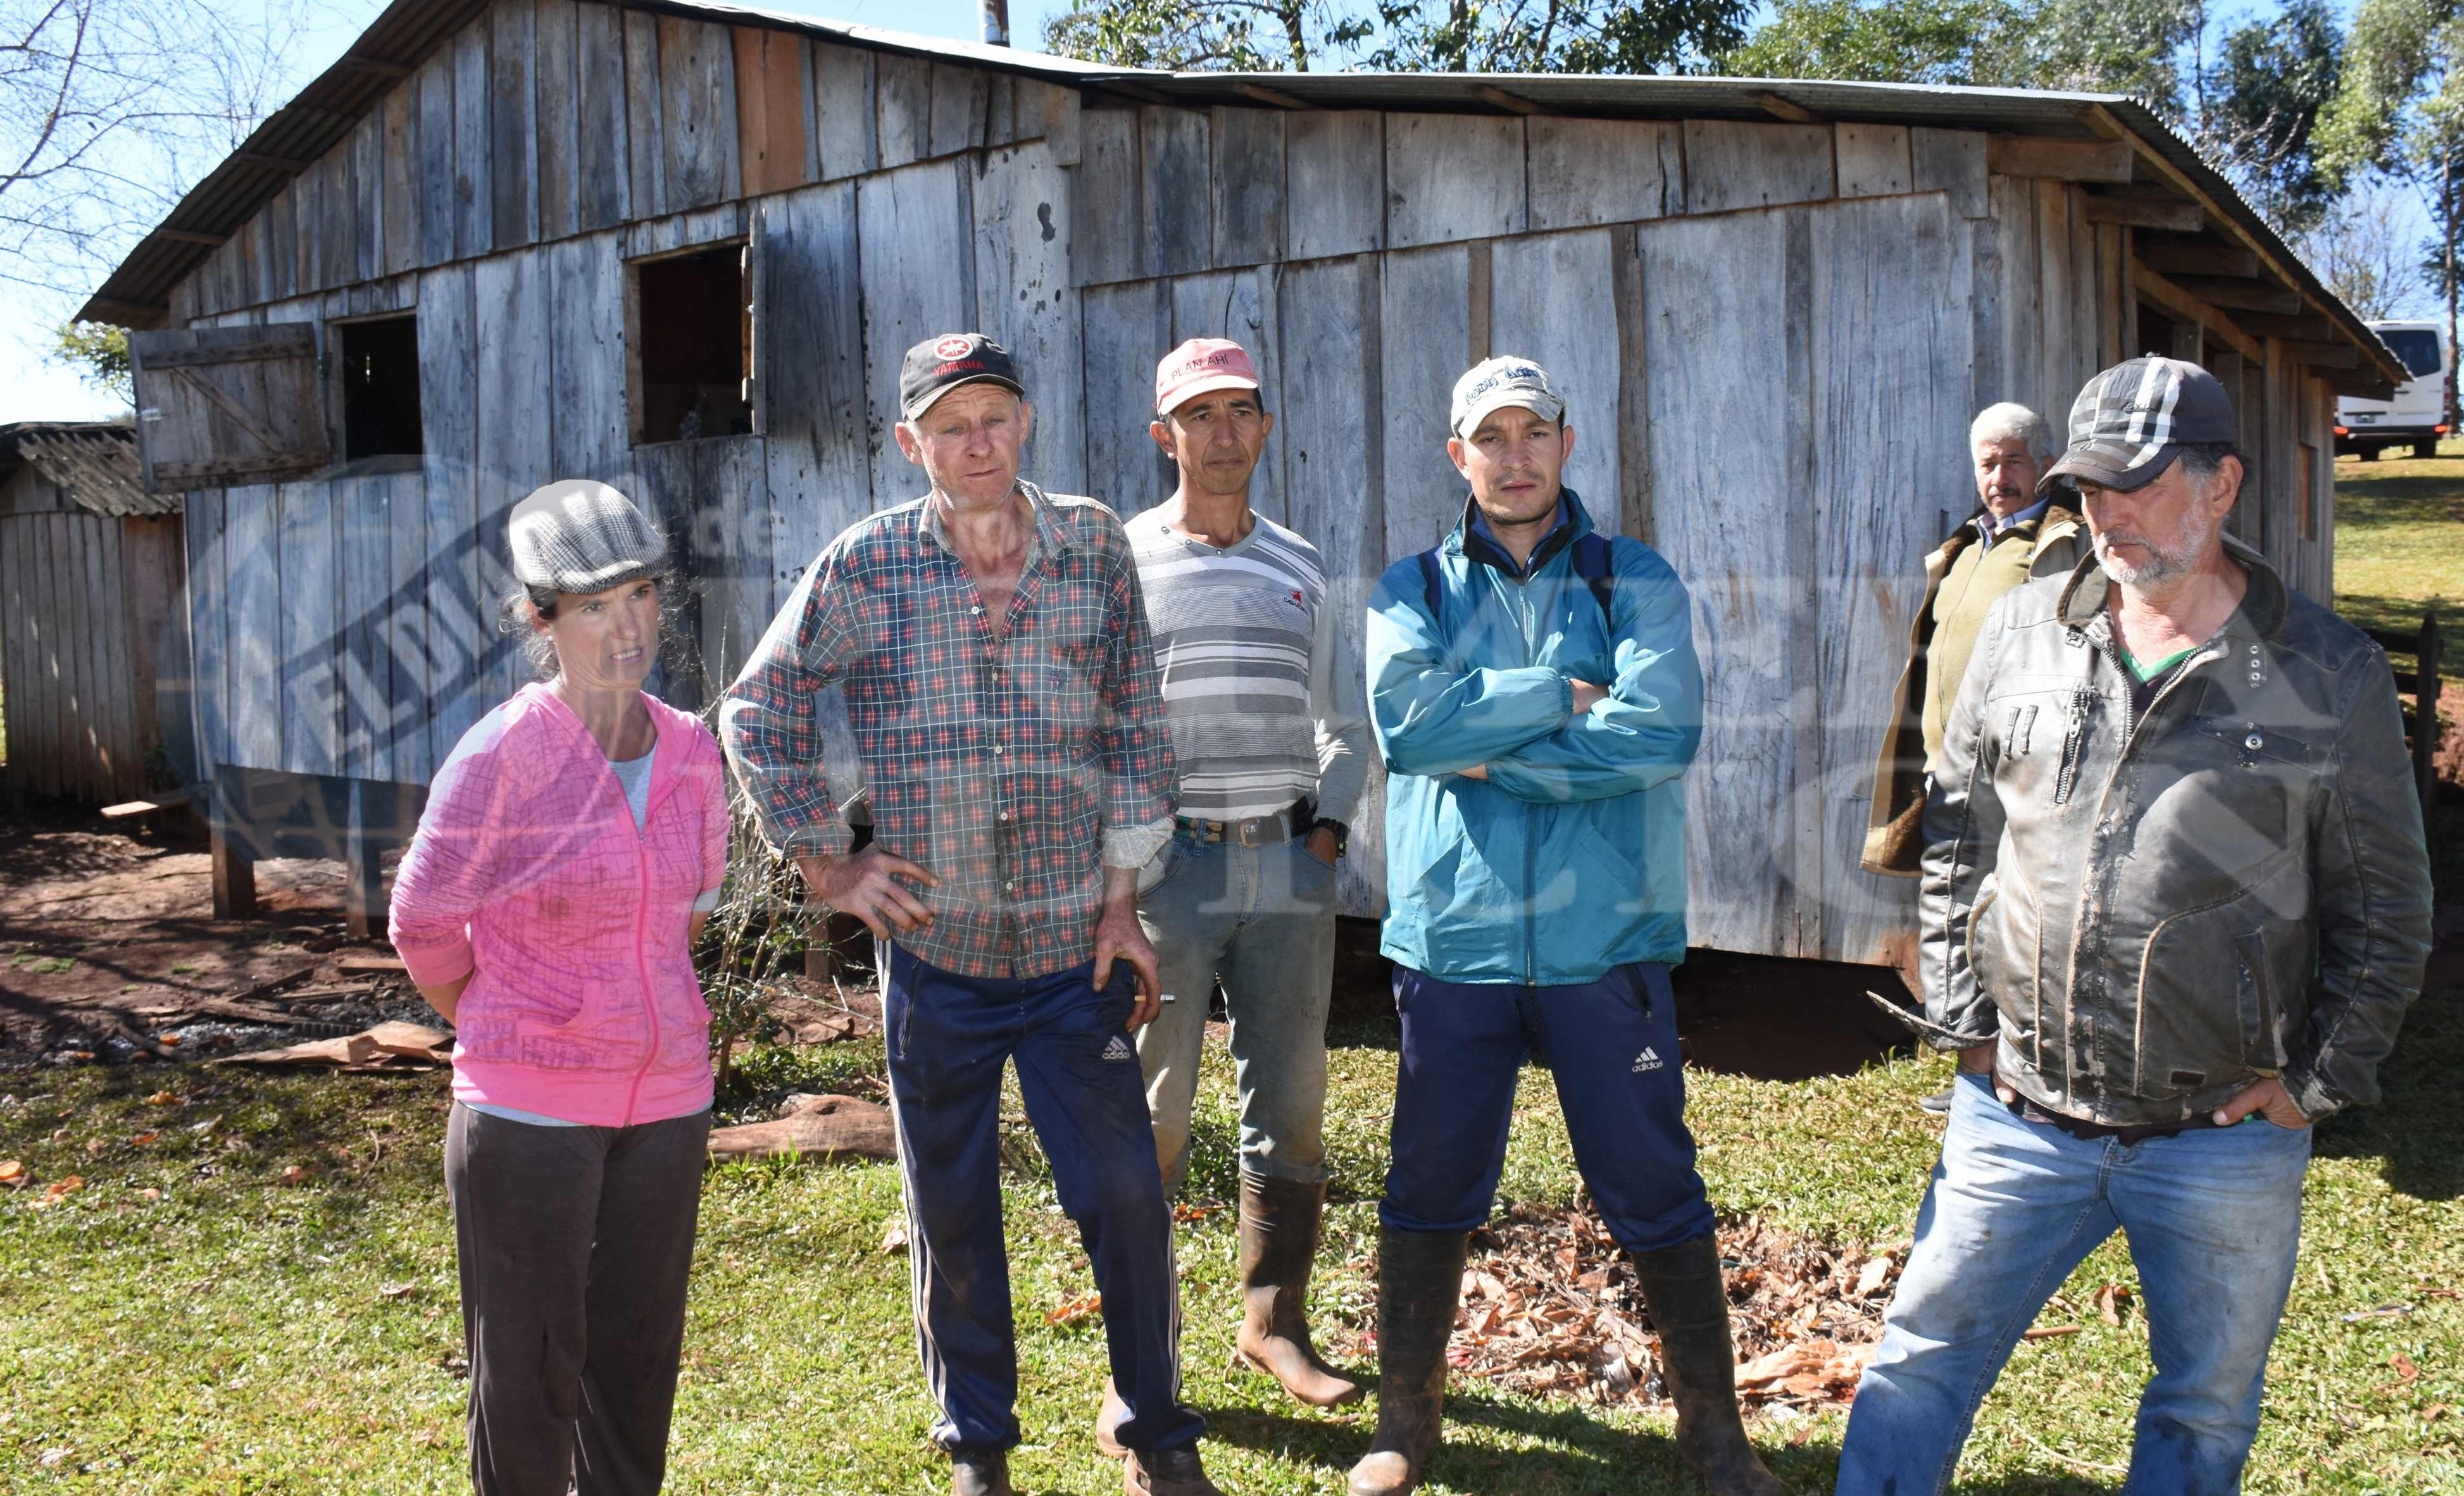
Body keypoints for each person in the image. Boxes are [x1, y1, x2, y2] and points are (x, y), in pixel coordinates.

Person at [1834, 357, 2434, 1493]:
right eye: (2088, 487)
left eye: (2136, 483)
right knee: (1916, 1362)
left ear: (2219, 485)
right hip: (2016, 1113)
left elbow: (2387, 904)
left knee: (2199, 1409)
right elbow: (1956, 838)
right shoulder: (2021, 634)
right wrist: (1965, 1025)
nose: (2104, 512)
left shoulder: (2325, 671)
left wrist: (2316, 1080)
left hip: (2219, 1139)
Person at [720, 334, 1220, 1496]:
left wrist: (1121, 898)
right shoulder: (869, 563)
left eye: (993, 414)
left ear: (1027, 420)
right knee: (949, 1206)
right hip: (934, 954)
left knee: (1125, 1199)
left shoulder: (1092, 543)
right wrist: (829, 863)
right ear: (911, 444)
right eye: (949, 426)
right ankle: (977, 1449)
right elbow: (761, 702)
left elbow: (1132, 720)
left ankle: (1157, 1430)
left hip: (1067, 953)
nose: (976, 441)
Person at [1354, 356, 1782, 1496]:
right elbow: (1404, 722)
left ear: (1565, 441)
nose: (1511, 455)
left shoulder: (1630, 579)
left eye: (1530, 432)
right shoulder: (1412, 590)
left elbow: (1658, 734)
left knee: (1652, 1181)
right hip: (1454, 944)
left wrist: (1487, 749)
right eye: (1487, 436)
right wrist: (1556, 697)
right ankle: (1405, 1420)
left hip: (1606, 946)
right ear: (1458, 454)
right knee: (1430, 1179)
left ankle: (1713, 1434)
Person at [391, 480, 731, 1496]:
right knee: (532, 1375)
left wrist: (631, 1020)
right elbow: (423, 924)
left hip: (668, 1102)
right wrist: (513, 1025)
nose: (625, 626)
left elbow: (691, 912)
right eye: (592, 606)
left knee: (636, 1369)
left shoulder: (692, 751)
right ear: (541, 617)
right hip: (526, 1109)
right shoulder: (500, 757)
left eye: (638, 595)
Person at [1112, 338, 1370, 1426]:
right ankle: (1145, 1360)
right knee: (1153, 1112)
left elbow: (1344, 718)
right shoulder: (1119, 561)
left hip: (1285, 862)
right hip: (1168, 866)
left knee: (1294, 1105)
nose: (1222, 432)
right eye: (1198, 414)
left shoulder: (1301, 563)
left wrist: (1327, 828)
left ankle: (1273, 1322)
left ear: (1265, 428)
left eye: (1240, 411)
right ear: (1163, 434)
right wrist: (1121, 863)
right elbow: (1098, 723)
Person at [1861, 402, 2086, 1112]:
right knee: (1954, 917)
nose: (1999, 476)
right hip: (1946, 771)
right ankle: (1975, 1072)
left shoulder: (2062, 547)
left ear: (2044, 464)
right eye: (1986, 463)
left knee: (2018, 922)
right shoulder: (1964, 548)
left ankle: (2023, 1071)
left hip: (2020, 779)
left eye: (2013, 460)